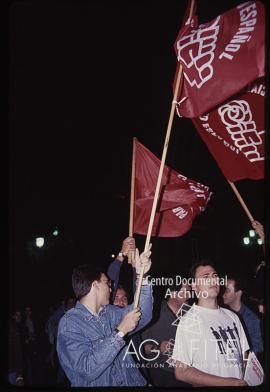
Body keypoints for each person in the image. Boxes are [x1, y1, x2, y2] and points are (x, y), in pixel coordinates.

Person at [56, 245, 153, 387]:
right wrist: (120, 332)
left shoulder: (110, 312)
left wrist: (142, 276)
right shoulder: (69, 323)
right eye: (107, 283)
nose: (110, 287)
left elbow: (143, 315)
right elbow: (87, 369)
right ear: (95, 285)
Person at [171, 260, 249, 387]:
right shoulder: (189, 321)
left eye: (215, 275)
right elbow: (182, 372)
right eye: (206, 277)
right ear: (195, 286)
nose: (213, 279)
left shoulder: (233, 317)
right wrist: (229, 383)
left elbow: (244, 354)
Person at [141, 281, 191, 387]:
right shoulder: (153, 314)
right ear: (173, 293)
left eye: (189, 292)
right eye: (185, 292)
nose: (189, 295)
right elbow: (140, 348)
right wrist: (158, 347)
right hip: (160, 375)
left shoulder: (191, 314)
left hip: (187, 375)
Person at [223, 277, 263, 357]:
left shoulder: (252, 319)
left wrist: (243, 360)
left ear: (238, 293)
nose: (223, 294)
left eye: (227, 290)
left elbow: (258, 349)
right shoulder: (223, 313)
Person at [8, 309, 24, 386]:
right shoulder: (13, 328)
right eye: (17, 315)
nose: (19, 317)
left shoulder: (16, 327)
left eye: (20, 315)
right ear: (13, 316)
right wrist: (19, 375)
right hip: (12, 370)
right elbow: (17, 352)